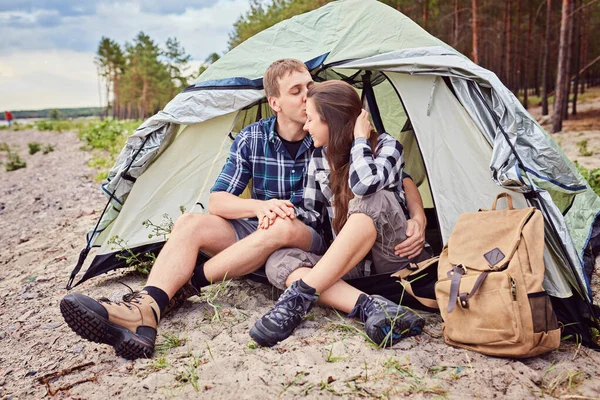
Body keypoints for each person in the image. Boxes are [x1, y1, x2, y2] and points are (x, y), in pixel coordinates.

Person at [59, 59, 427, 360]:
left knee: (282, 229)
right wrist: (260, 205)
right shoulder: (255, 137)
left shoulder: (326, 138)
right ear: (275, 102)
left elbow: (391, 177)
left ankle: (179, 291)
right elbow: (219, 200)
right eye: (296, 91)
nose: (306, 97)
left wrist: (419, 215)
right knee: (191, 222)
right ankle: (147, 310)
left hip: (304, 232)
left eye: (309, 88)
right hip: (259, 230)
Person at [249, 80, 432, 348]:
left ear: (331, 122)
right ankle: (369, 306)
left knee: (370, 198)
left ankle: (299, 297)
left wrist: (359, 139)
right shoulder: (319, 158)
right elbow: (311, 215)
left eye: (311, 119)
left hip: (396, 258)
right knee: (279, 261)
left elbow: (364, 184)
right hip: (352, 266)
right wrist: (280, 212)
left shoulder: (386, 146)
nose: (306, 126)